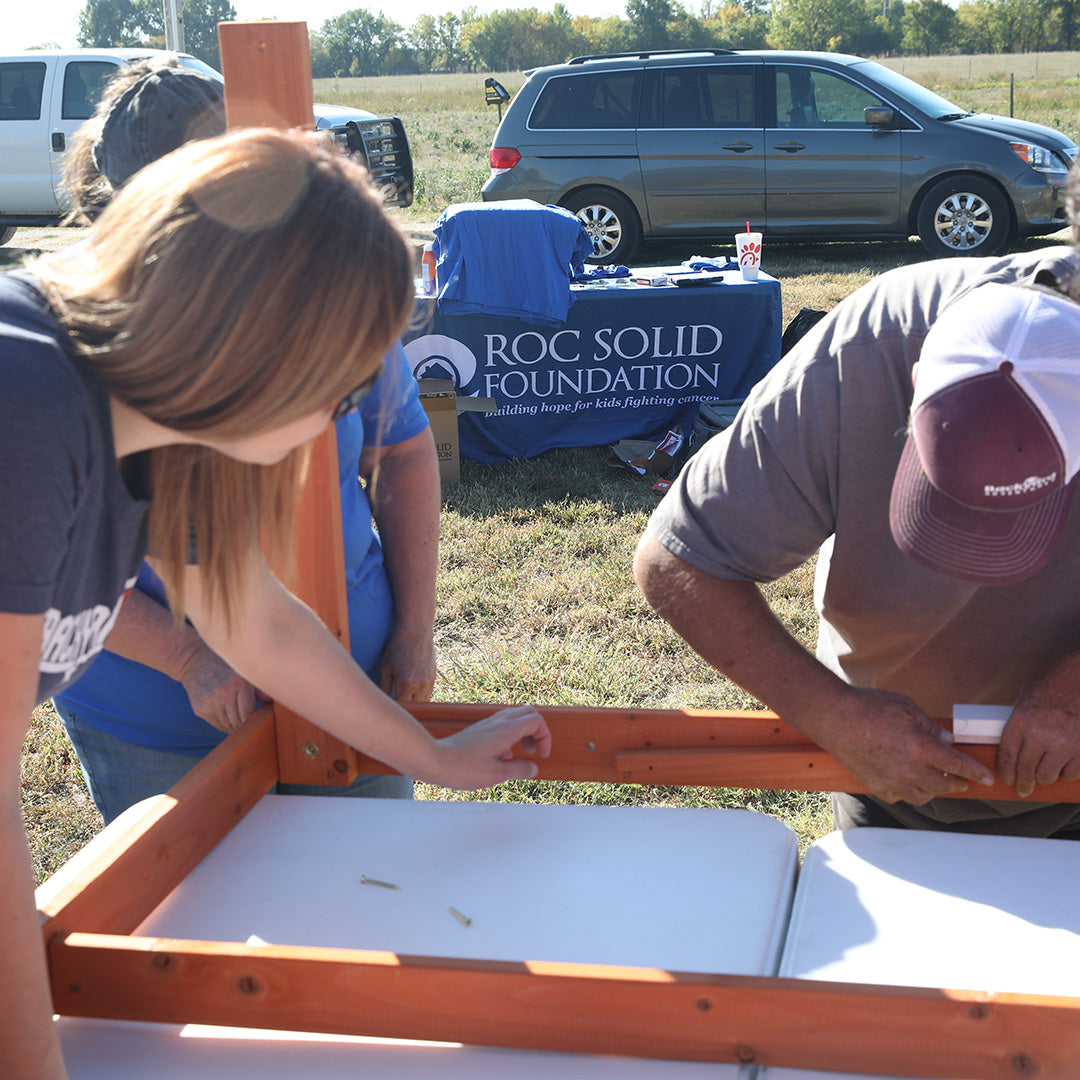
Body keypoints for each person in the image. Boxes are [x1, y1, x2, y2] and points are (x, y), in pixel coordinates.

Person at [0, 127, 551, 1080]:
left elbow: (255, 622)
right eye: (344, 383)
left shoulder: (153, 423)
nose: (341, 418)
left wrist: (431, 756)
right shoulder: (30, 406)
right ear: (255, 343)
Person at [52, 59, 438, 820]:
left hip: (340, 688)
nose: (315, 425)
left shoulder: (303, 303)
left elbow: (258, 614)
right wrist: (184, 658)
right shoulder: (60, 377)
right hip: (151, 729)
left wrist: (424, 699)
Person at [634, 205, 1080, 840]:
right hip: (889, 783)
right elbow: (679, 557)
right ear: (917, 379)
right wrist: (834, 716)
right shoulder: (866, 352)